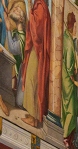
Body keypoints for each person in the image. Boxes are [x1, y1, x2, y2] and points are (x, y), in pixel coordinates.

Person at [16, 0, 50, 128]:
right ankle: (32, 115)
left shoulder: (41, 6)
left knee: (32, 80)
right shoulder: (40, 6)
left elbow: (38, 33)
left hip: (37, 50)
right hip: (36, 50)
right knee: (32, 80)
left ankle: (34, 118)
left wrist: (30, 10)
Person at [61, 13, 78, 147]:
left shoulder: (67, 37)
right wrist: (73, 79)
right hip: (68, 79)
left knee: (68, 109)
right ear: (73, 25)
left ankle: (67, 137)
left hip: (66, 76)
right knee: (71, 110)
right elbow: (68, 63)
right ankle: (66, 137)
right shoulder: (68, 41)